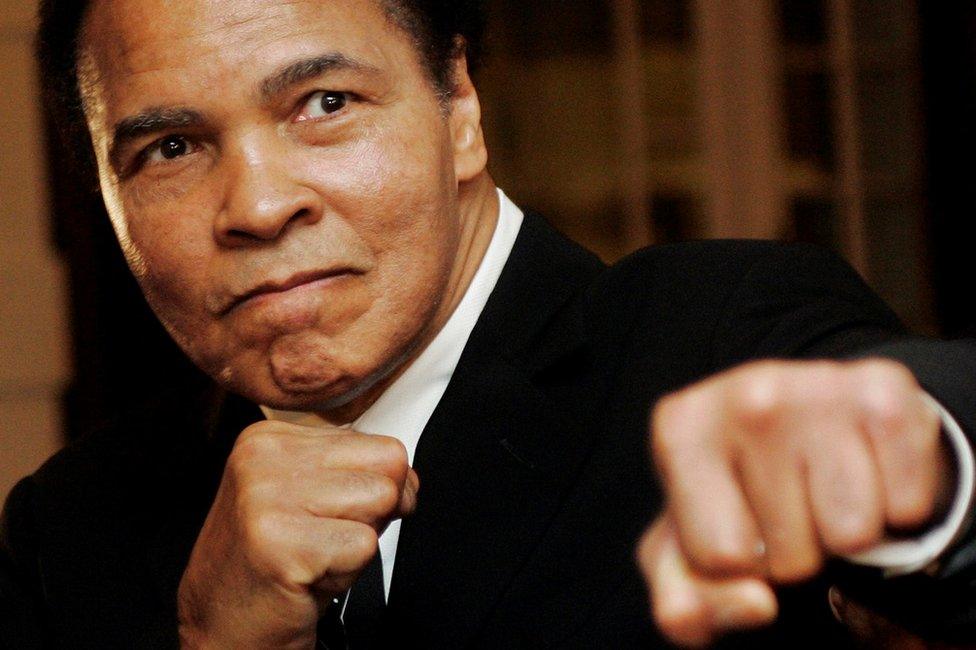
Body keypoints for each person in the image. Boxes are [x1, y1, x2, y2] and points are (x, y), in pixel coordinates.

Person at [3, 0, 976, 647]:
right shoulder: (75, 527)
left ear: (459, 105)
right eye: (171, 146)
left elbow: (907, 407)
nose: (256, 204)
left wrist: (921, 471)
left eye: (324, 102)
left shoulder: (717, 334)